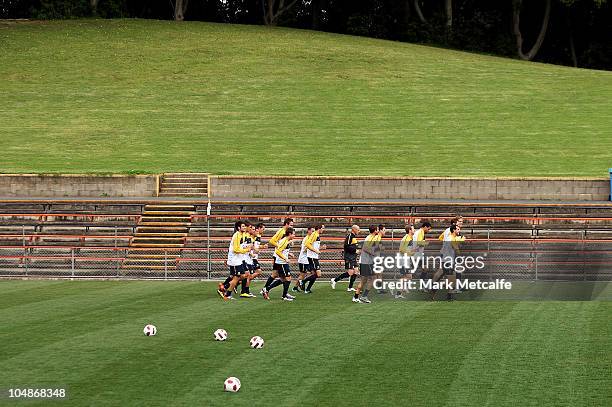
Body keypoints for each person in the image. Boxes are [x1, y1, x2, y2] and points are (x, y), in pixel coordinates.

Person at [219, 221, 252, 300]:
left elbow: (241, 246)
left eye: (244, 226)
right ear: (238, 228)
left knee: (243, 275)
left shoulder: (242, 235)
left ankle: (225, 288)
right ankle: (226, 293)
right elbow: (236, 249)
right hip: (234, 260)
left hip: (238, 259)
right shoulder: (237, 235)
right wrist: (246, 250)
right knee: (237, 277)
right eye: (243, 226)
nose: (244, 228)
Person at [431, 224, 461, 301]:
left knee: (446, 276)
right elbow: (456, 249)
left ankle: (434, 290)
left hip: (446, 259)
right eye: (457, 229)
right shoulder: (451, 238)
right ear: (454, 230)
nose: (459, 230)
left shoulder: (449, 237)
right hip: (448, 261)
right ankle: (448, 295)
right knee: (451, 277)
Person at [266, 228, 297, 301]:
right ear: (289, 234)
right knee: (288, 279)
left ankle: (266, 289)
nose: (294, 236)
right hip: (282, 263)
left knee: (283, 279)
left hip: (282, 262)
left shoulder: (286, 240)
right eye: (293, 234)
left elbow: (282, 250)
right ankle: (284, 296)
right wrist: (285, 258)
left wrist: (289, 254)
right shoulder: (284, 241)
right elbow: (278, 252)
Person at [352, 226, 378, 304]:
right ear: (375, 230)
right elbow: (365, 248)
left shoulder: (371, 237)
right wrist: (373, 253)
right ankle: (363, 296)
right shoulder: (370, 237)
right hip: (366, 262)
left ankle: (357, 296)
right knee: (370, 279)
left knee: (365, 280)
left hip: (366, 261)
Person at [331, 225, 360, 291]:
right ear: (354, 230)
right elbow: (346, 247)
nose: (359, 231)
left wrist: (355, 250)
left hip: (353, 257)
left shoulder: (354, 237)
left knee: (356, 271)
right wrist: (355, 250)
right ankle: (335, 280)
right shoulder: (350, 236)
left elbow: (352, 246)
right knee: (350, 272)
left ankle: (350, 287)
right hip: (349, 257)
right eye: (358, 230)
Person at [301, 224, 326, 293]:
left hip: (314, 257)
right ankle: (303, 281)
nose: (323, 230)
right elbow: (308, 244)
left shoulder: (316, 235)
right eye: (323, 228)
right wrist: (316, 251)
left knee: (314, 274)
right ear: (319, 228)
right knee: (318, 274)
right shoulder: (314, 234)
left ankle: (307, 289)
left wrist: (320, 248)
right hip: (312, 257)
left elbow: (313, 246)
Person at [394, 224, 415, 299]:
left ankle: (399, 292)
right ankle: (399, 290)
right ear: (409, 230)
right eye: (413, 229)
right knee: (409, 276)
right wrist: (411, 253)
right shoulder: (407, 238)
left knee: (406, 276)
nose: (414, 230)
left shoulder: (410, 237)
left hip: (406, 260)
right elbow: (401, 250)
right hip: (403, 260)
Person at [293, 226, 314, 292]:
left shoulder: (310, 238)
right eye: (312, 231)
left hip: (307, 259)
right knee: (303, 274)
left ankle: (300, 285)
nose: (313, 233)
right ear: (308, 231)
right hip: (303, 259)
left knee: (312, 273)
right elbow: (304, 249)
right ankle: (297, 286)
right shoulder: (306, 239)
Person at [413, 221, 432, 287]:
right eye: (428, 229)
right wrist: (426, 243)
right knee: (424, 269)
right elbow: (419, 243)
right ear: (425, 227)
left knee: (424, 269)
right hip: (417, 254)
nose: (429, 231)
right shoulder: (421, 232)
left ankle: (422, 286)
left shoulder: (419, 232)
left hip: (417, 254)